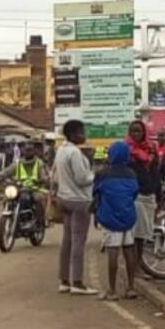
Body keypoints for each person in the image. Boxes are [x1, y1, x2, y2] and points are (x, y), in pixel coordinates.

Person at [51, 120, 98, 295]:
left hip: (64, 199)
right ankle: (77, 282)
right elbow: (82, 178)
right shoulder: (75, 153)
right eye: (82, 132)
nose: (84, 135)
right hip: (79, 201)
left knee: (67, 241)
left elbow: (54, 176)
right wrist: (94, 176)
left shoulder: (61, 151)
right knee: (78, 241)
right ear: (73, 134)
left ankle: (64, 280)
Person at [92, 140, 140, 301]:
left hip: (109, 216)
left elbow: (95, 192)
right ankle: (131, 287)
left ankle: (112, 290)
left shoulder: (103, 174)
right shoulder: (132, 174)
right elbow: (134, 193)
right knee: (129, 250)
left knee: (113, 251)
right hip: (128, 215)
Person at [125, 120, 162, 280]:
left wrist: (159, 196)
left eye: (138, 131)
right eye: (132, 131)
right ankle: (134, 270)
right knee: (134, 237)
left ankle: (139, 265)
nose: (135, 134)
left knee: (143, 236)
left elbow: (156, 173)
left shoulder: (151, 149)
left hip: (150, 196)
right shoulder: (128, 151)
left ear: (144, 132)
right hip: (135, 196)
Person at [0, 143, 46, 220]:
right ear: (23, 151)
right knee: (7, 197)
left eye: (30, 150)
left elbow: (43, 175)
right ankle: (9, 213)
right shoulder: (18, 163)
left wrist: (43, 179)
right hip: (19, 188)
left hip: (34, 189)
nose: (28, 152)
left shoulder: (39, 163)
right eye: (26, 150)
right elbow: (7, 171)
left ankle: (39, 220)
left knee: (38, 199)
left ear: (34, 151)